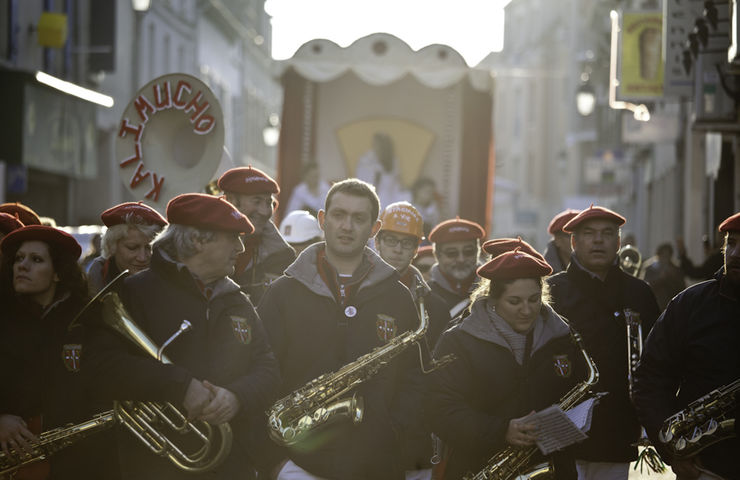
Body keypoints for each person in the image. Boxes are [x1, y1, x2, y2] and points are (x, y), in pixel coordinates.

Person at [86, 193, 281, 480]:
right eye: (232, 238)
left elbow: (268, 369)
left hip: (231, 466)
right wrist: (180, 386)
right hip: (155, 468)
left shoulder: (237, 300)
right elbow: (101, 367)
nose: (240, 248)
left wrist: (237, 396)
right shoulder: (135, 291)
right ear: (198, 240)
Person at [257, 179, 419, 480]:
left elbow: (413, 381)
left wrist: (390, 433)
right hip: (295, 465)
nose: (347, 226)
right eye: (339, 215)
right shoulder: (282, 293)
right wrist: (276, 464)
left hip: (374, 466)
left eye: (359, 218)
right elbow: (260, 376)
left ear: (374, 228)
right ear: (322, 220)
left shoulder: (398, 297)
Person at [426, 249, 588, 480]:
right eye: (514, 301)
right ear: (493, 299)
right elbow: (439, 409)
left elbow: (581, 393)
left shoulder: (564, 337)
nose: (527, 310)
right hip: (478, 467)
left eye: (534, 299)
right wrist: (502, 430)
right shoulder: (458, 341)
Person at [547, 205, 660, 480]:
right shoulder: (550, 291)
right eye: (589, 234)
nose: (598, 240)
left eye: (607, 234)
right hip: (559, 432)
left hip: (616, 430)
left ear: (619, 242)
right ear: (574, 242)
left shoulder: (639, 292)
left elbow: (657, 362)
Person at [0, 225, 118, 479]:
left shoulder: (87, 321)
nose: (22, 266)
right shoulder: (4, 318)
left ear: (57, 273)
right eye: (19, 258)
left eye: (36, 259)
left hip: (79, 462)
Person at [633, 211, 740, 480]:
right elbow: (651, 380)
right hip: (705, 469)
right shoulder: (690, 305)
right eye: (732, 243)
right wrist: (673, 450)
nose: (736, 253)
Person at [374, 201, 452, 480]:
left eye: (407, 243)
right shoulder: (356, 294)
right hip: (361, 431)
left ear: (417, 247)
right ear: (377, 240)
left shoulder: (435, 307)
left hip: (414, 439)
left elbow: (438, 376)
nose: (397, 249)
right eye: (391, 240)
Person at [218, 166, 296, 304]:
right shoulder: (204, 248)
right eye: (257, 201)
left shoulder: (283, 256)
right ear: (230, 201)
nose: (265, 211)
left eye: (269, 203)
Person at [86, 202, 167, 295]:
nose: (142, 257)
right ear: (111, 247)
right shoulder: (97, 278)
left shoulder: (170, 280)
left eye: (150, 248)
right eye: (132, 248)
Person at [427, 217, 486, 317]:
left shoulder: (492, 291)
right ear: (437, 255)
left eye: (468, 252)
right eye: (452, 253)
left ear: (478, 252)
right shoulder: (425, 294)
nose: (461, 259)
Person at [355, 132, 410, 209]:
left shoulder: (393, 160)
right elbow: (363, 179)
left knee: (406, 196)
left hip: (390, 194)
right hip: (371, 193)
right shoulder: (366, 159)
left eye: (379, 145)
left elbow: (397, 181)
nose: (376, 147)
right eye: (375, 144)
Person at [640, 243, 685, 311]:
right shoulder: (650, 269)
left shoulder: (675, 270)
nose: (665, 259)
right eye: (663, 255)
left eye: (667, 256)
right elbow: (646, 286)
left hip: (671, 306)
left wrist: (672, 277)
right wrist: (660, 278)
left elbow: (681, 289)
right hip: (654, 305)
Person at [544, 209, 580, 274]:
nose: (577, 239)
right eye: (570, 235)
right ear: (558, 240)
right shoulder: (544, 274)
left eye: (586, 234)